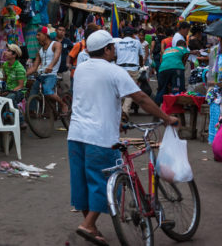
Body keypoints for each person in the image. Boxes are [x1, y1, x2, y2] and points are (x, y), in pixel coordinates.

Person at [68, 30, 178, 244]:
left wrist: (117, 120)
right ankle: (88, 224)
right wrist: (165, 118)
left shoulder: (81, 69)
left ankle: (92, 227)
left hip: (75, 135)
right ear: (107, 49)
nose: (115, 51)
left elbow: (92, 97)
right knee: (105, 180)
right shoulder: (114, 71)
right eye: (113, 47)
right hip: (100, 138)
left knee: (82, 182)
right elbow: (141, 97)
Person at [28, 26, 68, 114]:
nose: (37, 37)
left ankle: (63, 104)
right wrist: (25, 74)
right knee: (33, 90)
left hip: (51, 74)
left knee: (47, 90)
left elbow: (56, 56)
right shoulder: (40, 51)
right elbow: (34, 67)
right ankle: (32, 112)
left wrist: (51, 66)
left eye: (39, 35)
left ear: (45, 35)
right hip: (41, 75)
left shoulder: (56, 44)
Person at [117, 27, 145, 116]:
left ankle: (118, 111)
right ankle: (125, 111)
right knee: (130, 91)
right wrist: (141, 65)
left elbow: (114, 56)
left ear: (122, 34)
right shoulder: (137, 43)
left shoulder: (118, 43)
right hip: (133, 69)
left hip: (120, 69)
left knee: (120, 90)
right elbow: (141, 56)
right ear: (133, 35)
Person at [155, 40, 190, 105]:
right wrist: (182, 65)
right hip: (177, 68)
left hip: (163, 69)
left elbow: (161, 60)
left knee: (162, 88)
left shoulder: (167, 49)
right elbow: (186, 56)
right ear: (185, 46)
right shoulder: (183, 48)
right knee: (177, 88)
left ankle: (156, 107)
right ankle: (176, 107)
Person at [56, 24, 73, 93]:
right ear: (56, 31)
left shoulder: (67, 41)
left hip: (65, 70)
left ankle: (65, 103)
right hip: (54, 71)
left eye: (63, 30)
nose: (61, 32)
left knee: (66, 90)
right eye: (60, 30)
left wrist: (70, 63)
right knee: (55, 91)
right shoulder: (52, 41)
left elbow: (73, 53)